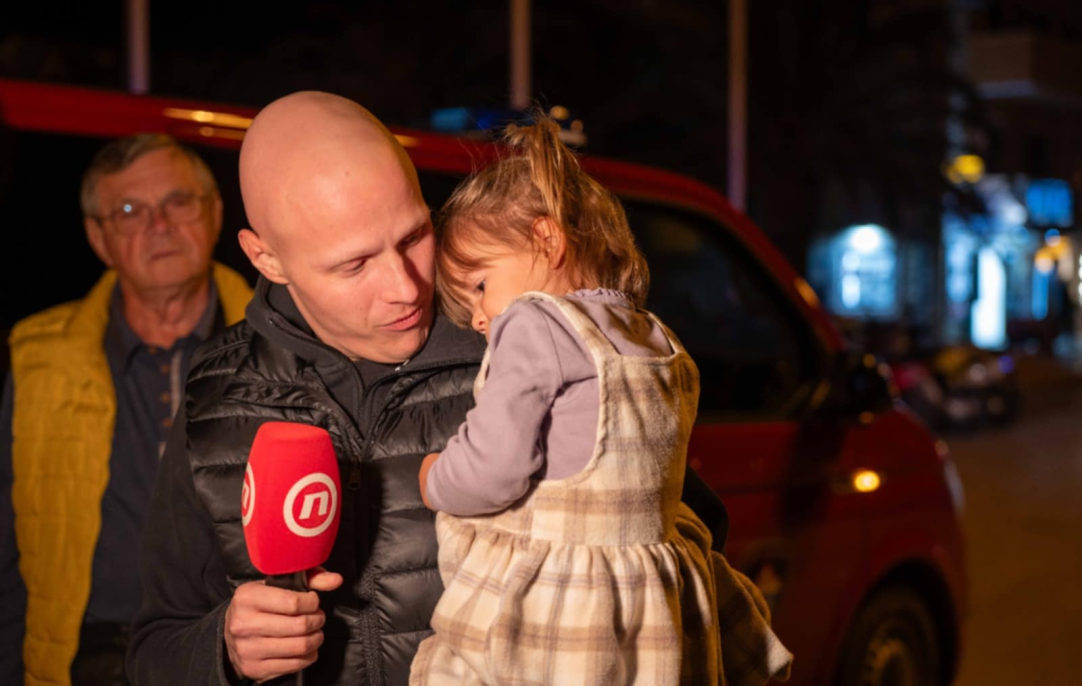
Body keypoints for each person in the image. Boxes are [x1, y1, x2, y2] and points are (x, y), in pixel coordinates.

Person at [128, 93, 730, 686]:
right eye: (355, 265)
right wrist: (225, 650)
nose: (406, 287)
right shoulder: (218, 391)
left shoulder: (532, 346)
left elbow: (685, 576)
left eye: (415, 236)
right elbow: (153, 649)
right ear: (267, 258)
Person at [413, 117, 792, 685]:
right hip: (652, 601)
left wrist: (435, 477)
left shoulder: (536, 323)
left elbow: (493, 468)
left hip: (567, 607)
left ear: (547, 240)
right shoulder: (658, 339)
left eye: (480, 286)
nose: (477, 317)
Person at [0, 133, 253, 686]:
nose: (159, 225)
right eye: (131, 211)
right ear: (99, 238)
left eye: (178, 201)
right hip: (84, 657)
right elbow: (7, 544)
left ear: (214, 213)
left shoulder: (282, 347)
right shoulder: (36, 358)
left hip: (231, 652)